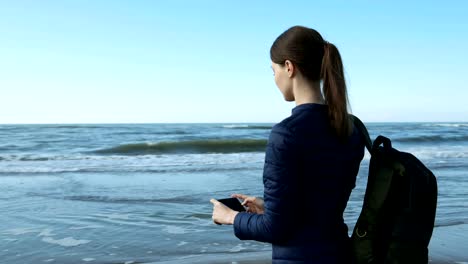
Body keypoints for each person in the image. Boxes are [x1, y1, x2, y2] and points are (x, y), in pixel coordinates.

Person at [210, 25, 365, 263]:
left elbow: (277, 229)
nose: (274, 78)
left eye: (273, 70)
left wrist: (231, 217)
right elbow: (320, 204)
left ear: (289, 67)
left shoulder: (286, 133)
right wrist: (268, 206)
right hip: (340, 254)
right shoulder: (350, 130)